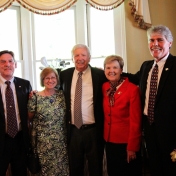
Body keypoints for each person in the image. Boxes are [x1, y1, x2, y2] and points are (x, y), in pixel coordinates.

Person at [123, 25, 176, 175]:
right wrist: (112, 72)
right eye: (151, 40)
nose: (155, 44)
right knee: (154, 167)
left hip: (170, 132)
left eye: (160, 40)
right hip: (149, 128)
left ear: (170, 43)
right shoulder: (146, 66)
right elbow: (133, 78)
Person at [59, 44, 107, 176]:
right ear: (72, 58)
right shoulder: (64, 75)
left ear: (89, 58)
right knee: (75, 168)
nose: (80, 58)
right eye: (76, 55)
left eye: (83, 55)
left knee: (96, 168)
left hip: (94, 130)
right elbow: (52, 89)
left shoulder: (100, 75)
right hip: (73, 130)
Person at [103, 55, 142, 176]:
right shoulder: (105, 87)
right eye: (108, 67)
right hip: (109, 141)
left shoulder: (132, 89)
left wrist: (132, 147)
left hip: (126, 143)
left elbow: (136, 121)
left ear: (121, 70)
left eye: (115, 67)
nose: (111, 71)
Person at [27, 67, 69, 176]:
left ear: (57, 79)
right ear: (42, 80)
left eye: (53, 77)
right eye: (47, 78)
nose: (50, 80)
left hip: (62, 141)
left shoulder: (62, 95)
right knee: (47, 171)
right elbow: (29, 118)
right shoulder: (35, 97)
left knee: (63, 170)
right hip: (43, 143)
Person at [0, 50, 32, 176]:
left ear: (15, 64)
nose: (7, 64)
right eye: (3, 62)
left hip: (19, 139)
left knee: (20, 172)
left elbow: (30, 107)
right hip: (1, 139)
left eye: (10, 61)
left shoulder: (25, 84)